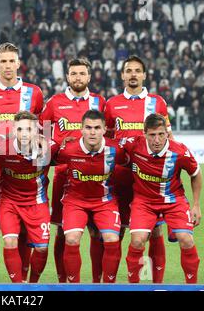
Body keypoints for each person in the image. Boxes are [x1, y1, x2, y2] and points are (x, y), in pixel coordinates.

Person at [0, 42, 44, 283]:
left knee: (24, 228)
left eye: (11, 61)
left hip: (25, 168)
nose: (7, 66)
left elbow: (41, 128)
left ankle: (23, 279)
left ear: (18, 63)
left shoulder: (33, 93)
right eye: (2, 61)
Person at [104, 55, 173, 283]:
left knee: (154, 231)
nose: (133, 74)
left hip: (151, 178)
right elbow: (106, 140)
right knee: (118, 232)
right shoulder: (111, 104)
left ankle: (154, 284)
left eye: (137, 70)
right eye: (128, 70)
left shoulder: (158, 102)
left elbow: (168, 138)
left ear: (144, 75)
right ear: (122, 75)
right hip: (121, 177)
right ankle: (111, 285)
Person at [40, 58, 106, 283]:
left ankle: (98, 283)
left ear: (89, 77)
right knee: (62, 231)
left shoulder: (99, 102)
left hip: (96, 176)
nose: (78, 77)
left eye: (82, 74)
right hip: (64, 175)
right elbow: (43, 136)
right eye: (74, 74)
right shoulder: (54, 103)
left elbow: (109, 136)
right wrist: (58, 146)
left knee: (97, 233)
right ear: (67, 77)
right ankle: (63, 282)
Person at [122, 113, 202, 283]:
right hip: (144, 202)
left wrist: (196, 205)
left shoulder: (180, 151)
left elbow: (195, 174)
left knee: (186, 240)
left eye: (161, 134)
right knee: (137, 241)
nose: (157, 140)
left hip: (174, 201)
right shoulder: (133, 145)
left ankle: (192, 286)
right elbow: (108, 145)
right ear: (144, 134)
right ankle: (133, 286)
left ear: (167, 133)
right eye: (152, 135)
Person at [55, 110, 127, 283]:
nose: (92, 132)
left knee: (112, 239)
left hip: (105, 202)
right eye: (88, 128)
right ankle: (74, 287)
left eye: (96, 127)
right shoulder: (68, 149)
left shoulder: (116, 150)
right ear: (81, 129)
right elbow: (45, 162)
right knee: (71, 239)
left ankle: (109, 286)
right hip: (75, 201)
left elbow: (133, 163)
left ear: (104, 129)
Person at [0, 111, 57, 283]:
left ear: (37, 131)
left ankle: (33, 284)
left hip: (37, 202)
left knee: (41, 248)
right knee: (10, 242)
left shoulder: (49, 147)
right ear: (13, 130)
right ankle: (17, 287)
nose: (25, 133)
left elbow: (72, 152)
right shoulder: (1, 148)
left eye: (29, 129)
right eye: (20, 129)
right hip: (9, 202)